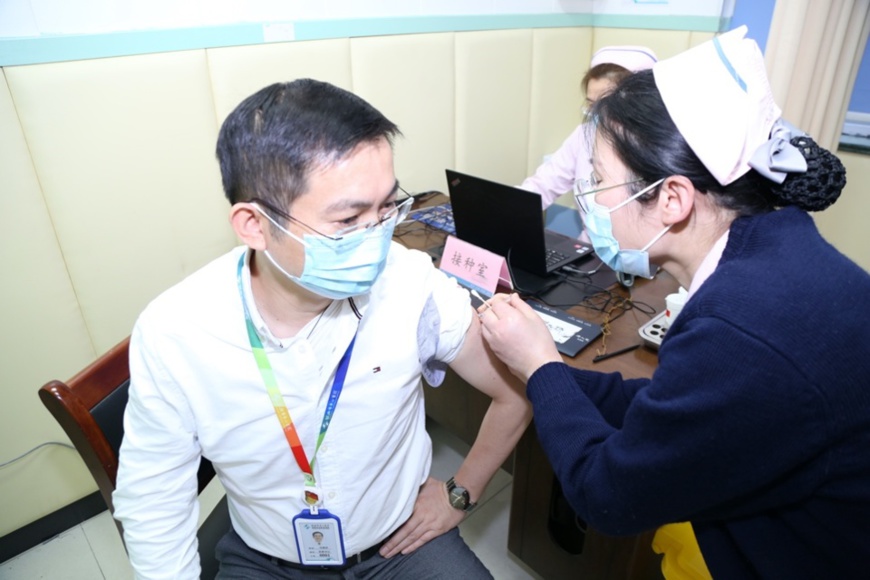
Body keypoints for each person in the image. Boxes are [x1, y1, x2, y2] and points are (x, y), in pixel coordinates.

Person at [478, 26, 870, 578]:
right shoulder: (771, 251)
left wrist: (542, 368)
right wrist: (540, 366)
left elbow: (606, 495)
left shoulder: (743, 327)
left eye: (596, 182)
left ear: (670, 198)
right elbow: (673, 404)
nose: (586, 200)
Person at [113, 78, 532, 579]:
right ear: (254, 224)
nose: (378, 236)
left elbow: (516, 389)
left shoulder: (410, 283)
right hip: (267, 557)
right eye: (349, 218)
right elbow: (153, 500)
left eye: (386, 207)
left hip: (399, 542)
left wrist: (461, 493)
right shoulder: (176, 333)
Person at [518, 45, 657, 209]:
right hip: (589, 236)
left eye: (606, 104)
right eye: (592, 105)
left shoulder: (663, 147)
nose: (598, 113)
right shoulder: (583, 136)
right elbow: (543, 185)